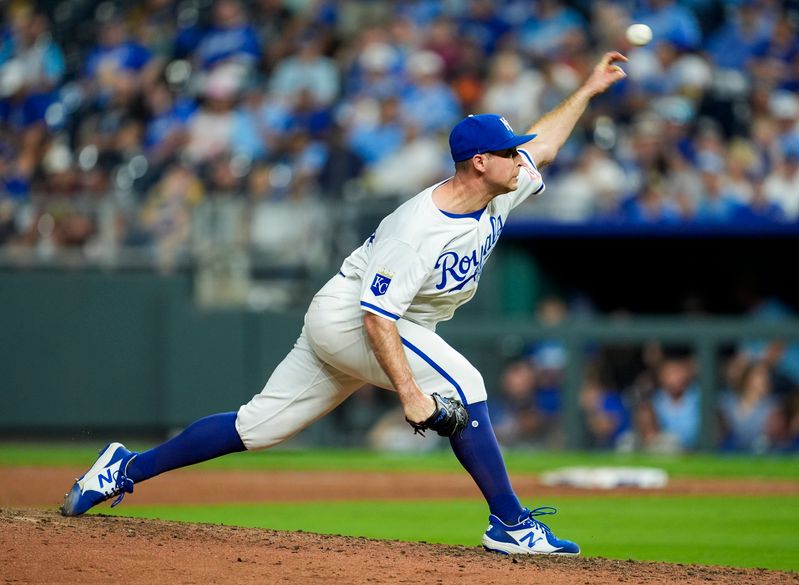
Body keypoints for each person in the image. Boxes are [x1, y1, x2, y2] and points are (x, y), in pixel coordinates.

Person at [60, 51, 628, 556]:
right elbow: (376, 316)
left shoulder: (501, 188)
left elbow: (546, 143)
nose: (519, 158)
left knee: (258, 427)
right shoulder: (419, 227)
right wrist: (410, 394)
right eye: (508, 152)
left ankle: (123, 468)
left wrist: (587, 89)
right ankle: (510, 523)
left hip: (379, 322)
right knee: (465, 384)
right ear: (479, 162)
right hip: (355, 318)